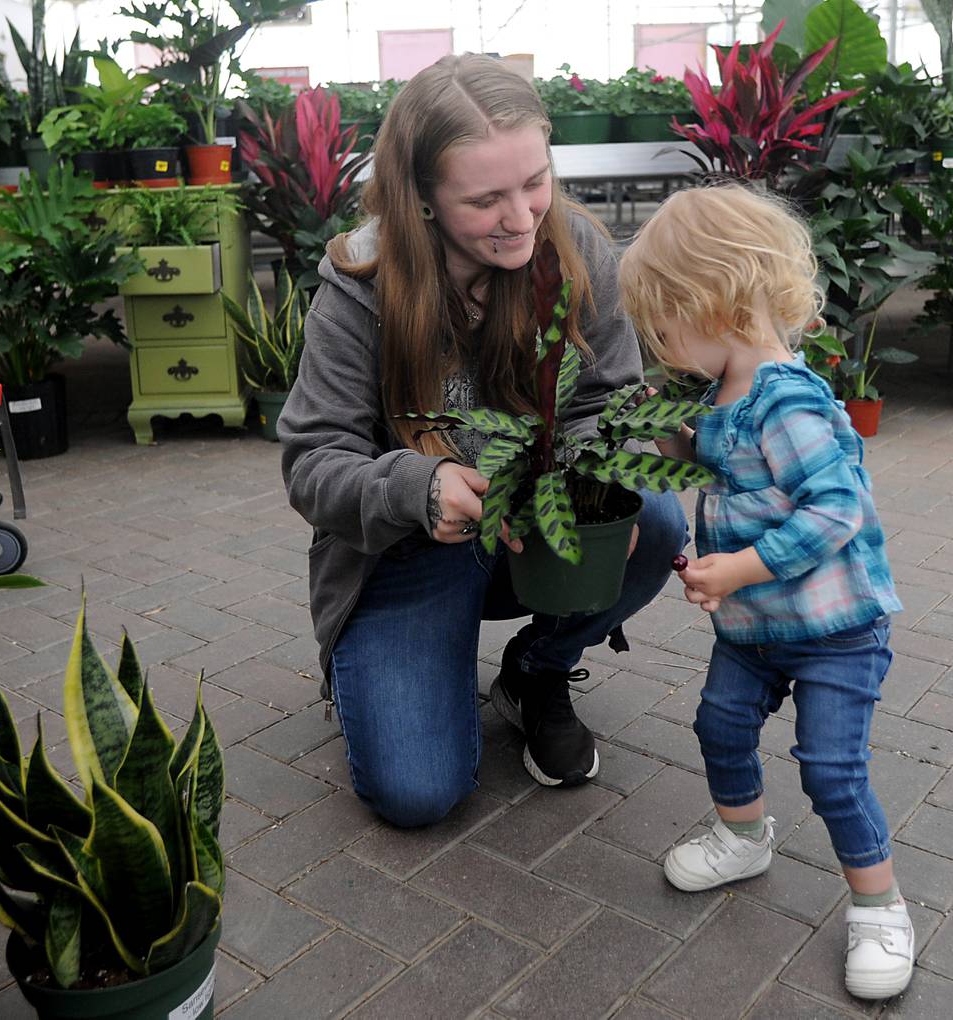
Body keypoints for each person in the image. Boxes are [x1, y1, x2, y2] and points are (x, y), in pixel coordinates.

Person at [278, 53, 687, 829]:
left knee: (654, 517)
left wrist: (587, 475)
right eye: (485, 198)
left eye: (535, 182)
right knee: (417, 794)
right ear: (422, 196)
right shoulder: (361, 286)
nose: (523, 217)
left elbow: (612, 399)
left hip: (531, 528)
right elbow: (312, 462)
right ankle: (402, 662)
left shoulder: (576, 251)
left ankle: (536, 671)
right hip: (410, 545)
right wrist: (417, 487)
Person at [618, 182, 911, 1000]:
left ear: (712, 304)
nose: (662, 346)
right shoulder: (726, 392)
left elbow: (838, 509)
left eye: (665, 327)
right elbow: (721, 464)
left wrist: (740, 567)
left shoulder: (787, 400)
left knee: (831, 767)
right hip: (757, 627)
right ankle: (744, 836)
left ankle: (879, 904)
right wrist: (667, 434)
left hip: (833, 629)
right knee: (720, 723)